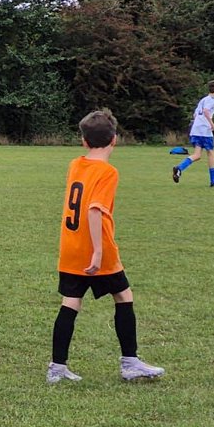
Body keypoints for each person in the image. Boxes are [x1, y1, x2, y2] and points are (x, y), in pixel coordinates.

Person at [49, 109, 163, 383]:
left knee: (71, 302)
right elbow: (94, 210)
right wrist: (99, 251)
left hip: (70, 247)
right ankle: (130, 362)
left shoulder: (76, 164)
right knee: (124, 296)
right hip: (96, 247)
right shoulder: (108, 172)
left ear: (84, 142)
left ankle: (57, 367)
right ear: (115, 140)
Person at [172, 80, 214, 187]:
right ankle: (213, 181)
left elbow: (195, 115)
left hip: (196, 129)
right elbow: (205, 111)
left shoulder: (203, 100)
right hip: (205, 130)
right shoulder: (212, 100)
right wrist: (212, 124)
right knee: (211, 153)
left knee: (197, 155)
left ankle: (179, 168)